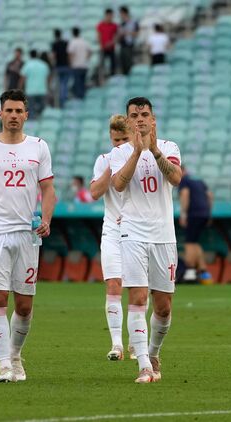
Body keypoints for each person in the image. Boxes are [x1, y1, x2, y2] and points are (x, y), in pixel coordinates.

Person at [0, 89, 56, 383]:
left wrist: (47, 219)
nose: (14, 115)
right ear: (0, 113)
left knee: (25, 306)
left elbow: (48, 189)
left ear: (26, 115)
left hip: (28, 234)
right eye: (9, 110)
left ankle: (15, 355)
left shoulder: (39, 147)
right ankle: (4, 365)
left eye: (19, 111)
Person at [110, 97, 181, 383]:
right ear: (128, 121)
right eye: (134, 115)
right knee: (138, 298)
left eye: (144, 114)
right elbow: (118, 184)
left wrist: (153, 150)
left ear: (153, 119)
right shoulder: (119, 152)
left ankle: (153, 352)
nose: (139, 119)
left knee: (163, 307)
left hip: (163, 235)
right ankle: (143, 365)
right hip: (133, 232)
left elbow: (176, 178)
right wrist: (137, 152)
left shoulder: (169, 147)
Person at [90, 115, 132, 360]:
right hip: (113, 231)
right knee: (114, 284)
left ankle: (136, 341)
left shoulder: (141, 160)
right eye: (116, 140)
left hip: (137, 231)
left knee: (138, 288)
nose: (120, 144)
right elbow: (95, 192)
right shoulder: (103, 160)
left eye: (125, 139)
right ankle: (117, 344)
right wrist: (112, 165)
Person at [178, 165, 213, 284]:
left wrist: (183, 214)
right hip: (204, 213)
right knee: (195, 242)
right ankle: (203, 271)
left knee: (189, 243)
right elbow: (210, 195)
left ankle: (190, 272)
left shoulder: (184, 181)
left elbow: (185, 194)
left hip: (193, 213)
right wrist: (209, 212)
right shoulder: (199, 181)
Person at [20, 50, 50, 118]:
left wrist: (20, 88)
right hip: (42, 90)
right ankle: (40, 120)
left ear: (30, 55)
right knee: (42, 110)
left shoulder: (27, 64)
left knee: (31, 109)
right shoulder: (44, 64)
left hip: (30, 91)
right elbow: (48, 78)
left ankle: (33, 121)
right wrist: (48, 88)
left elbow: (23, 78)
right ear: (37, 55)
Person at [68, 27, 92, 100]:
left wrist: (71, 63)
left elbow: (70, 54)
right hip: (84, 65)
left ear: (72, 33)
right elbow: (90, 52)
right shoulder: (84, 41)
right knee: (82, 83)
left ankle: (79, 99)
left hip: (76, 65)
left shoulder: (73, 42)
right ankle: (83, 98)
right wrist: (86, 59)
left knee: (77, 83)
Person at [97, 9, 118, 80]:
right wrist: (101, 45)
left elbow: (116, 37)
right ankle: (101, 79)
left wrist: (111, 43)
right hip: (103, 48)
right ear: (106, 15)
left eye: (111, 16)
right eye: (109, 16)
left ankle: (113, 78)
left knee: (113, 64)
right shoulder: (100, 25)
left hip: (111, 48)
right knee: (101, 65)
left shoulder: (114, 26)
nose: (110, 17)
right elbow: (99, 36)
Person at [51, 29, 71, 107]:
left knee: (60, 84)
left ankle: (61, 100)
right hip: (66, 65)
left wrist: (53, 65)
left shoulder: (54, 44)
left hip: (58, 66)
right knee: (64, 83)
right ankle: (64, 99)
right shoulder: (66, 43)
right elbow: (68, 54)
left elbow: (53, 56)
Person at [118, 6, 139, 75]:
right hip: (122, 45)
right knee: (123, 63)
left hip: (129, 45)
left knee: (128, 63)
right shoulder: (121, 23)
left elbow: (137, 33)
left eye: (121, 14)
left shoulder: (133, 22)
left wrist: (127, 33)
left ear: (125, 13)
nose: (120, 15)